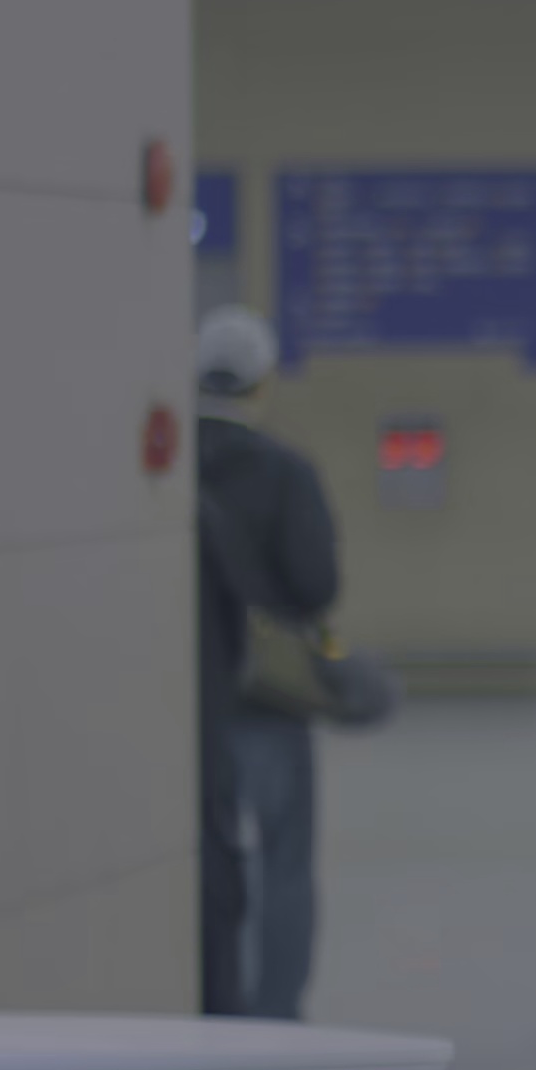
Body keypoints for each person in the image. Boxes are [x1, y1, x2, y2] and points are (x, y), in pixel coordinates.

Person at [193, 307, 343, 1019]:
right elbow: (317, 586)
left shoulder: (166, 472)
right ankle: (278, 1015)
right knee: (283, 860)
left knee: (210, 854)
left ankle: (216, 1003)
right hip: (271, 699)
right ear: (262, 381)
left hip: (191, 702)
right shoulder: (286, 471)